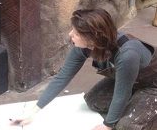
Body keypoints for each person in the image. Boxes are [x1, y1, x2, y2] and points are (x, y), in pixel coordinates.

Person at [11, 8, 157, 130]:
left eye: (75, 33)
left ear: (93, 38)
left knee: (127, 126)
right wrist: (33, 111)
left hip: (152, 84)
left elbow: (122, 93)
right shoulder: (85, 46)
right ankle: (134, 99)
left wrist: (107, 125)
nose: (70, 35)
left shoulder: (127, 55)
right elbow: (62, 77)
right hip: (128, 79)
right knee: (93, 101)